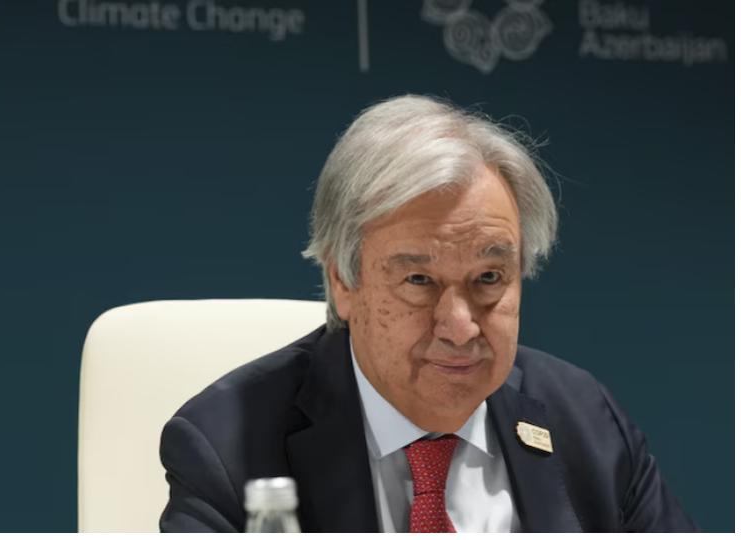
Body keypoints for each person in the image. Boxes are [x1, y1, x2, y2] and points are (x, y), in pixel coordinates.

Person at [158, 95, 696, 532]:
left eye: (489, 278)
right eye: (419, 281)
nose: (460, 328)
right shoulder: (227, 449)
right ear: (343, 282)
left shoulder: (584, 420)